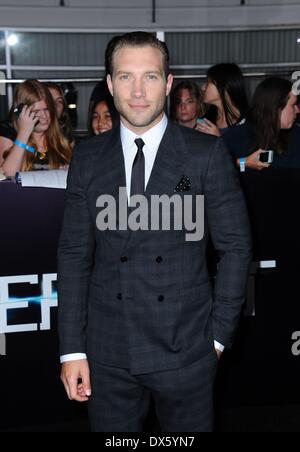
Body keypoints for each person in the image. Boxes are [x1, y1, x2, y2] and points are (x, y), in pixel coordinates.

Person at [58, 31, 252, 433]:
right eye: (126, 77)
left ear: (167, 82)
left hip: (187, 349)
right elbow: (74, 255)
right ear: (110, 84)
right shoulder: (89, 157)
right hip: (107, 352)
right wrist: (72, 349)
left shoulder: (206, 154)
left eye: (150, 76)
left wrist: (217, 338)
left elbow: (235, 248)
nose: (138, 91)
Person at [223, 77, 300, 171]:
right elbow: (216, 168)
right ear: (276, 107)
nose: (297, 110)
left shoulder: (296, 136)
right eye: (293, 105)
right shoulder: (236, 136)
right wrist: (244, 162)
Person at [0, 79, 72, 177]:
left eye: (46, 109)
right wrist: (24, 133)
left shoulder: (61, 138)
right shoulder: (9, 135)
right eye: (37, 111)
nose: (44, 116)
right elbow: (6, 175)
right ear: (22, 113)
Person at [198, 63, 249, 137]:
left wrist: (219, 139)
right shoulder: (206, 121)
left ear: (225, 86)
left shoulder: (249, 123)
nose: (203, 88)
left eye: (208, 82)